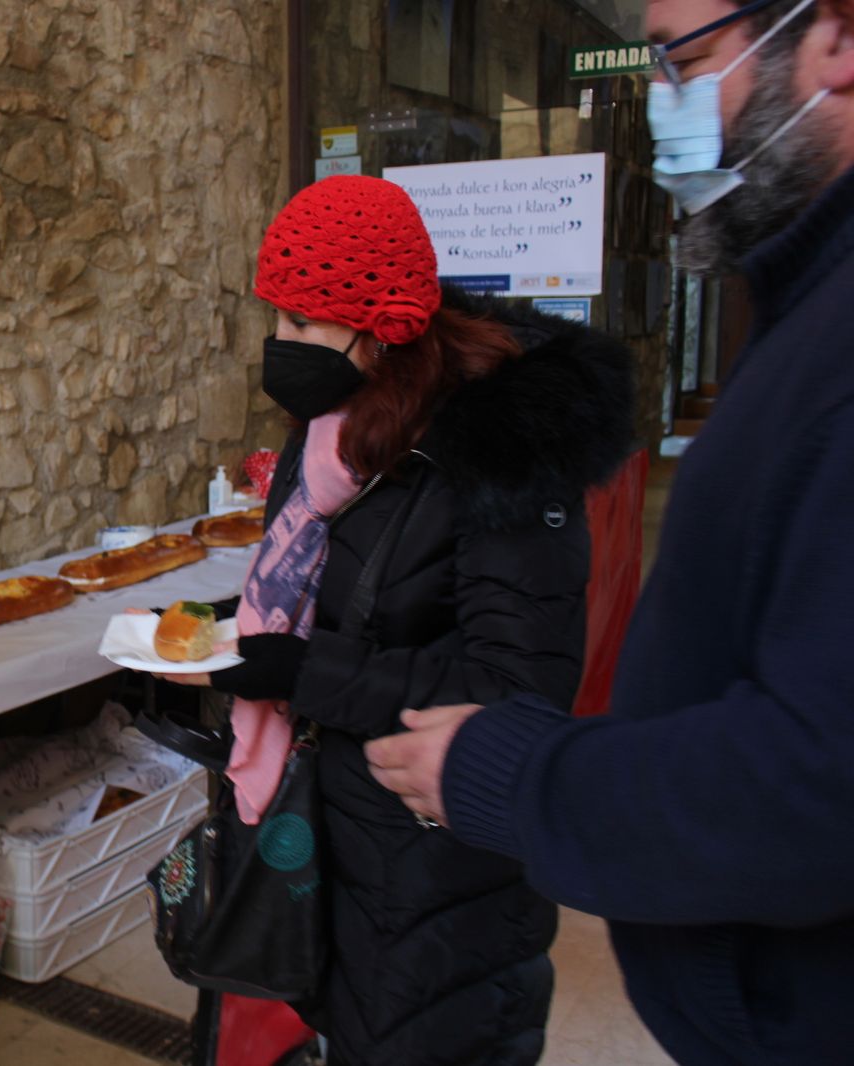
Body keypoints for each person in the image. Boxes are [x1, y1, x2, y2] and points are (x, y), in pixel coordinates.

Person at [364, 2, 854, 1063]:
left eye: (687, 60)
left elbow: (816, 781)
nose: (664, 105)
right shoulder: (808, 311)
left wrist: (514, 774)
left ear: (837, 36)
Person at [152, 175, 634, 1066]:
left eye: (303, 321)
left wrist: (299, 672)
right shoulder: (334, 430)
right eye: (276, 316)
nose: (280, 342)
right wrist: (222, 624)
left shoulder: (499, 451)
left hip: (438, 874)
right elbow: (335, 592)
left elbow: (515, 688)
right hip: (338, 845)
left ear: (379, 328)